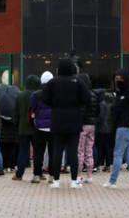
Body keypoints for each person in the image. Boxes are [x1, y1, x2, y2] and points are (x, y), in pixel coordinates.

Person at [42, 58, 91, 189]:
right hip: (74, 119)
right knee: (72, 151)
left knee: (57, 151)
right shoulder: (78, 82)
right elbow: (86, 98)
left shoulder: (53, 82)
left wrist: (55, 104)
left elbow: (44, 98)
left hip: (57, 119)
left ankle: (56, 181)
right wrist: (77, 106)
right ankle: (74, 181)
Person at [103, 69, 129, 189]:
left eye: (120, 78)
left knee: (117, 154)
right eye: (116, 78)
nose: (118, 80)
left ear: (125, 79)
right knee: (127, 154)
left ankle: (112, 181)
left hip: (125, 127)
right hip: (123, 127)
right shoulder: (121, 92)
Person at [12, 75, 41, 181]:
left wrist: (16, 125)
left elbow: (16, 112)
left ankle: (19, 174)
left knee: (23, 151)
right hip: (36, 127)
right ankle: (39, 173)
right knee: (38, 152)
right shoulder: (38, 94)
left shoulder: (20, 95)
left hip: (23, 127)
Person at [29, 71, 55, 183]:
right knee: (53, 152)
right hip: (54, 127)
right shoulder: (57, 94)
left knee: (38, 152)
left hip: (39, 127)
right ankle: (53, 176)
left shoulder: (36, 94)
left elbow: (32, 108)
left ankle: (37, 175)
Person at [77, 73, 99, 183]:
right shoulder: (94, 94)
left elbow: (80, 110)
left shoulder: (81, 95)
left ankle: (79, 174)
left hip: (83, 124)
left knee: (80, 150)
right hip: (92, 124)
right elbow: (98, 110)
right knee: (89, 149)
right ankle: (89, 175)